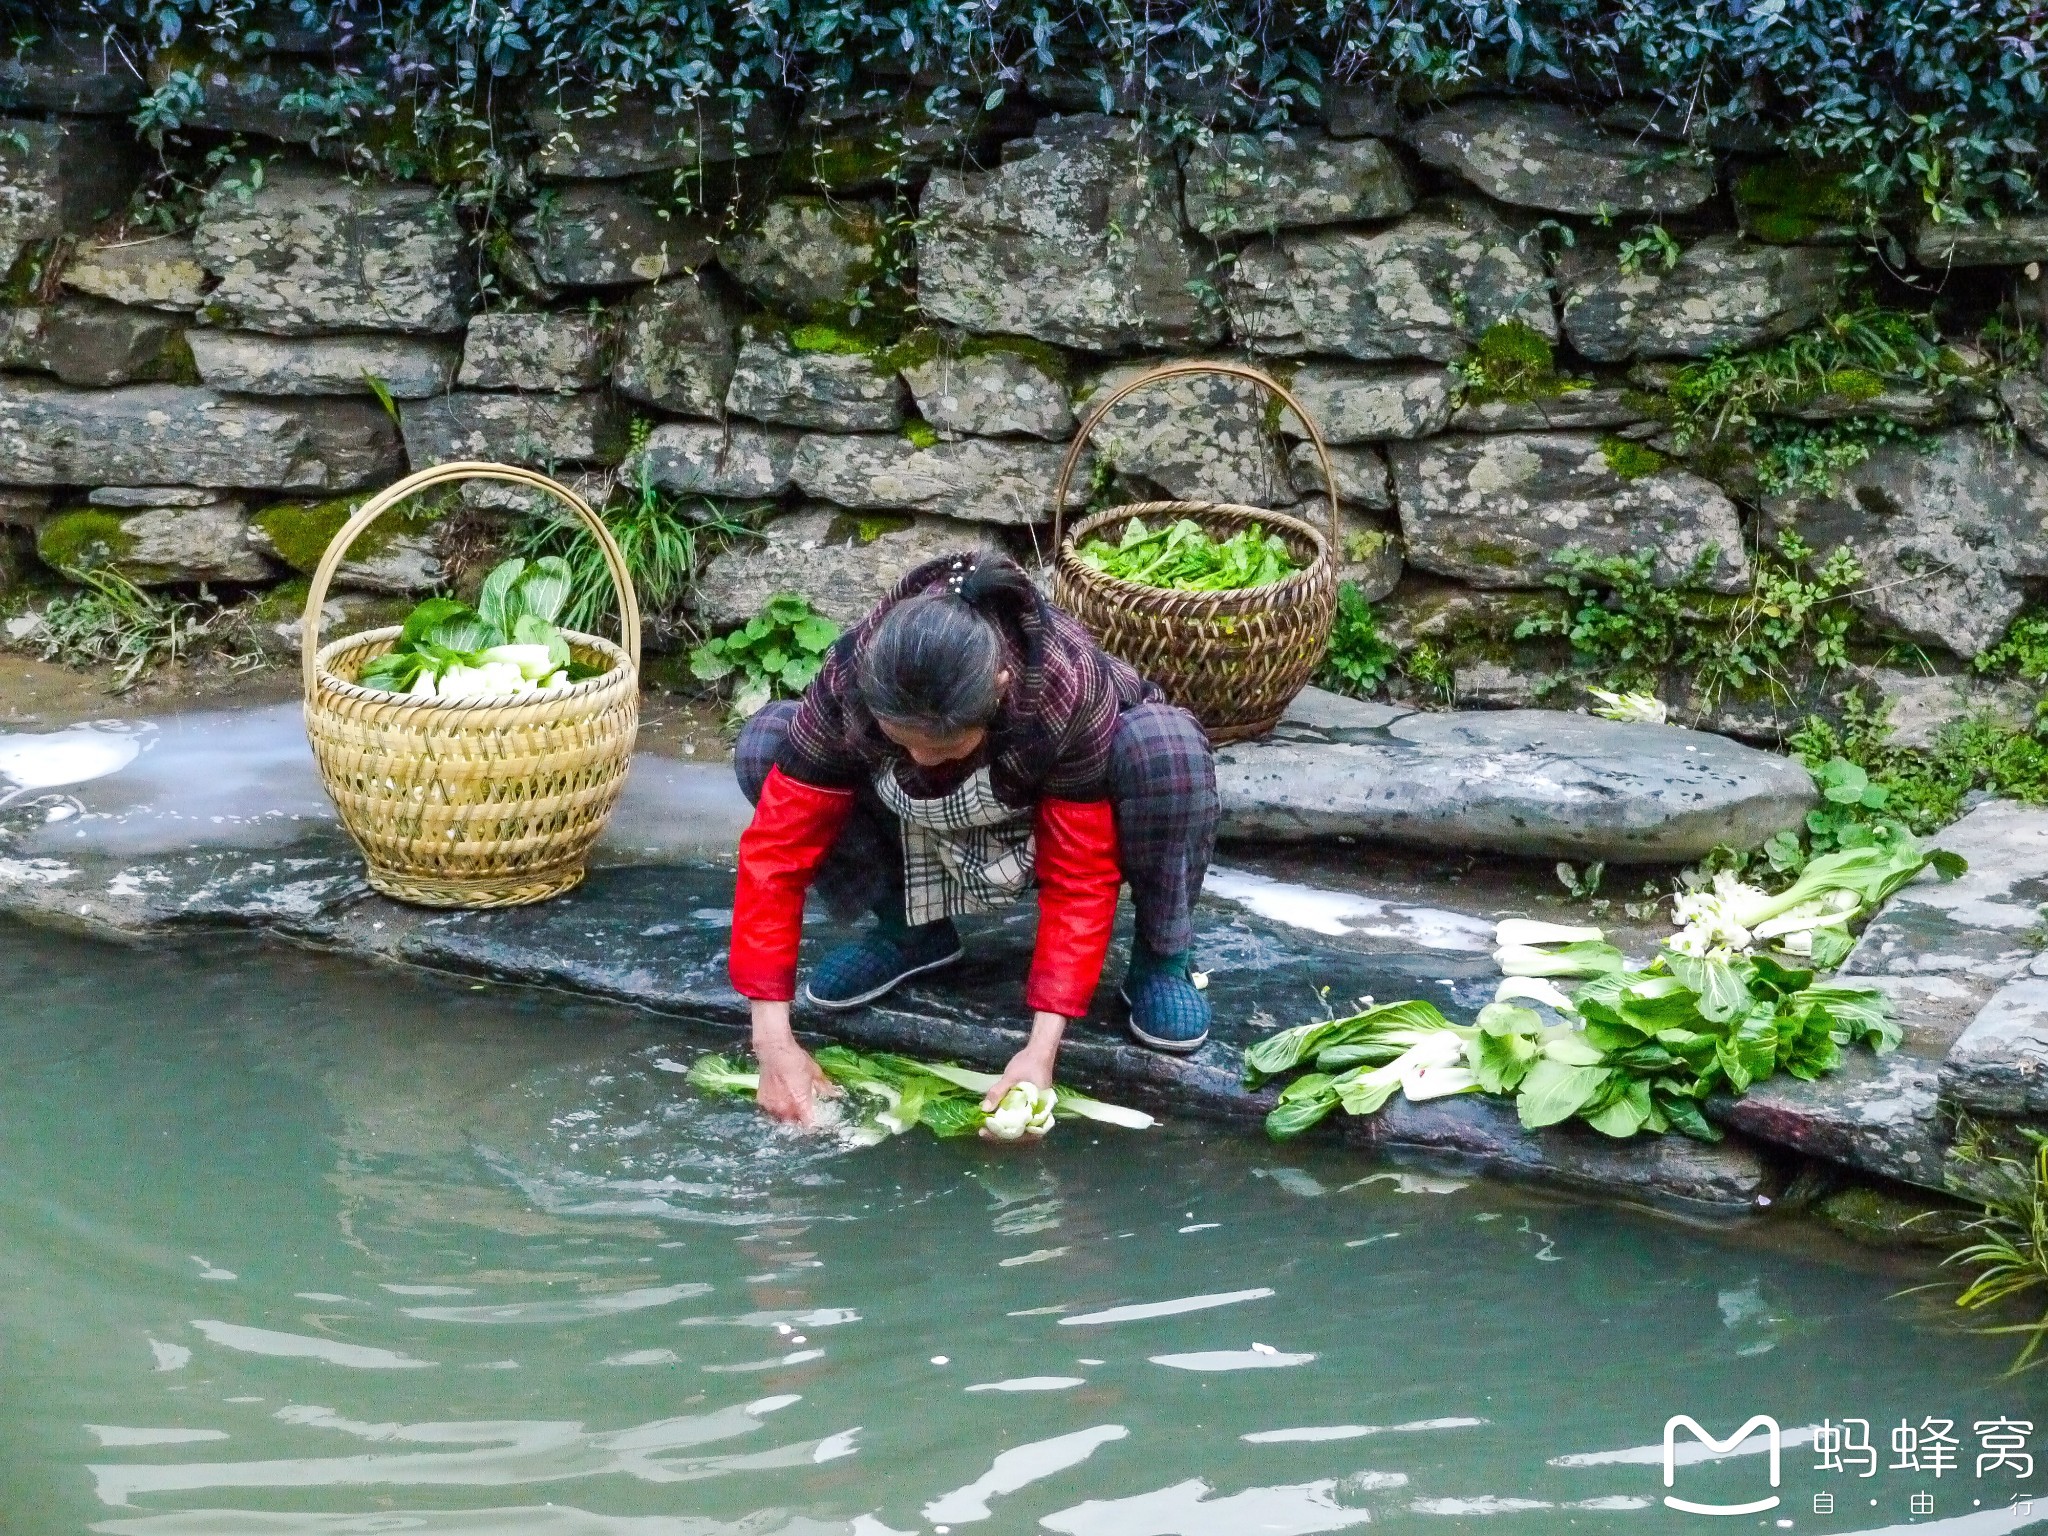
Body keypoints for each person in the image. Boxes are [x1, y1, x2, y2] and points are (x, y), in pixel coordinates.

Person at [729, 551, 1219, 1126]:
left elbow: (1079, 875)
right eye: (903, 741)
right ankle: (910, 931)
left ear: (1000, 688)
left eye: (943, 747)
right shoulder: (854, 673)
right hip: (912, 815)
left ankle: (1161, 962)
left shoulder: (1065, 683)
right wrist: (772, 1042)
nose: (921, 759)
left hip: (1038, 819)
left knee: (1165, 746)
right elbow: (778, 851)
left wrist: (1040, 1053)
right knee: (768, 743)